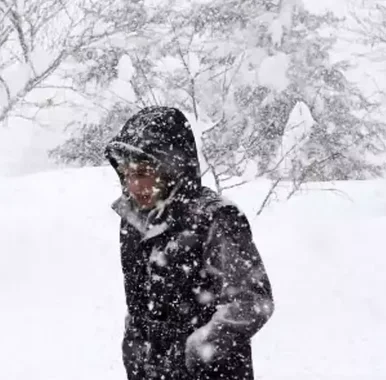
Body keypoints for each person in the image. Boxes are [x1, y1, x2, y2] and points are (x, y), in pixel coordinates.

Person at [103, 106, 274, 380]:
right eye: (126, 174)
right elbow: (136, 308)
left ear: (173, 168)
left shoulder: (214, 219)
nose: (133, 186)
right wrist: (135, 354)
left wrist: (197, 349)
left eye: (143, 172)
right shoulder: (133, 221)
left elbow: (251, 301)